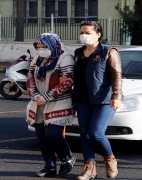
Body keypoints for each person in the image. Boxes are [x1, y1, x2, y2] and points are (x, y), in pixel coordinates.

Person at [73, 21, 123, 180]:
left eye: (88, 33)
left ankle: (110, 159)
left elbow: (117, 75)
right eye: (82, 32)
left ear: (98, 34)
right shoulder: (78, 52)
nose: (84, 35)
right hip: (82, 99)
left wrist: (116, 95)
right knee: (85, 134)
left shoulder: (108, 51)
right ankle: (89, 167)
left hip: (104, 99)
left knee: (96, 133)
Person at [26, 32, 76, 177]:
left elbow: (69, 80)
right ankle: (49, 166)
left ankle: (68, 158)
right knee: (41, 136)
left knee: (53, 134)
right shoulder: (37, 58)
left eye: (44, 47)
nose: (41, 50)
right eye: (39, 47)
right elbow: (30, 78)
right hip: (39, 102)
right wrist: (34, 94)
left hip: (59, 102)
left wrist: (49, 96)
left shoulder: (65, 58)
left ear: (53, 45)